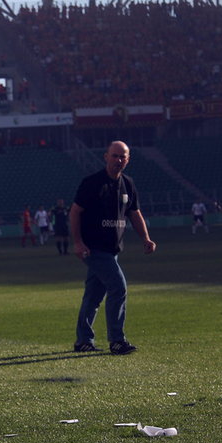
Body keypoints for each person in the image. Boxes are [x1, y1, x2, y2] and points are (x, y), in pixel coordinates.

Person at [70, 141, 156, 355]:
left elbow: (134, 213)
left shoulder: (128, 184)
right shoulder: (92, 183)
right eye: (115, 156)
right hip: (93, 249)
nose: (118, 160)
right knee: (118, 287)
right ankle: (117, 340)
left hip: (112, 250)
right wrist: (78, 242)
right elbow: (74, 212)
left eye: (122, 157)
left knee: (93, 296)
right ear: (105, 156)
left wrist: (145, 237)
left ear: (128, 160)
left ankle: (83, 341)